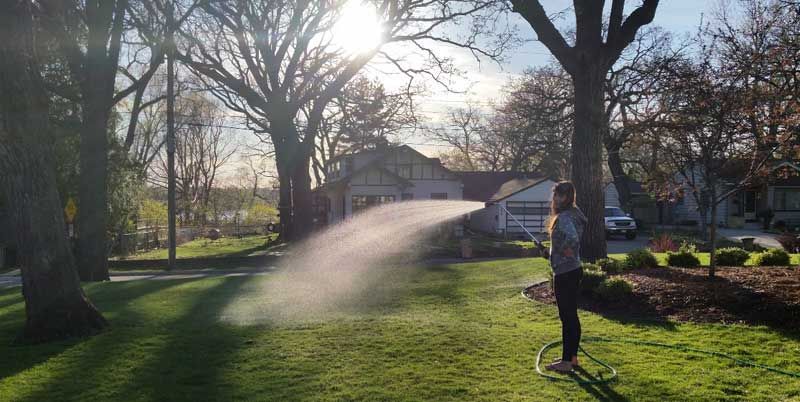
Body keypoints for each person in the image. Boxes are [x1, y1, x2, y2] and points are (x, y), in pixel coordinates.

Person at [545, 181, 587, 373]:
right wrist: (551, 253)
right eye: (555, 194)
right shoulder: (575, 214)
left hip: (566, 273)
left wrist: (563, 250)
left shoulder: (563, 217)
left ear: (568, 196)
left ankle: (566, 362)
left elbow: (572, 239)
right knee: (571, 316)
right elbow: (567, 241)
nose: (556, 198)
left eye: (560, 195)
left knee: (567, 317)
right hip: (572, 270)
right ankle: (572, 358)